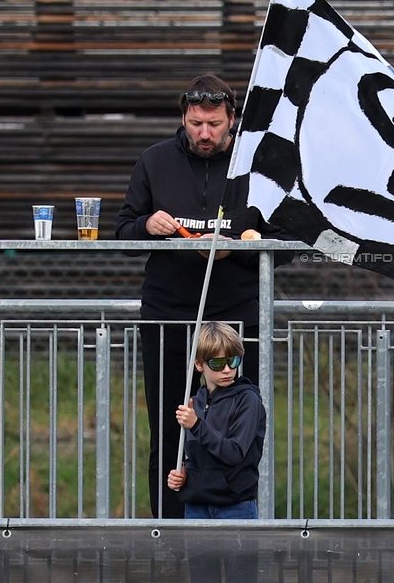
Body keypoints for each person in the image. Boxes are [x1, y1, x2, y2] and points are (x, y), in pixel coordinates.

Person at [116, 73, 290, 518]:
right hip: (168, 318)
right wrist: (146, 228)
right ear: (184, 118)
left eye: (214, 124)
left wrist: (248, 246)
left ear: (232, 120)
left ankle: (234, 529)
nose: (205, 133)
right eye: (196, 123)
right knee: (170, 431)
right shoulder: (154, 161)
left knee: (236, 431)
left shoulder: (260, 168)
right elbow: (123, 228)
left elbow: (290, 241)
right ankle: (170, 536)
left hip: (236, 321)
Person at [166, 321, 265, 582]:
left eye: (233, 360)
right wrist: (184, 474)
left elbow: (234, 453)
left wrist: (196, 425)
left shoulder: (248, 400)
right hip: (197, 505)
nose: (228, 370)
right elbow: (196, 453)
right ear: (199, 365)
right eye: (217, 364)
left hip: (235, 505)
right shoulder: (196, 401)